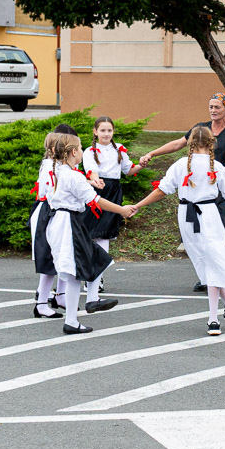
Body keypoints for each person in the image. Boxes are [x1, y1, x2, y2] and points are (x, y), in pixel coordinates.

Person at [139, 93, 225, 292]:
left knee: (219, 234)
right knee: (202, 237)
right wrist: (152, 153)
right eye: (211, 107)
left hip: (224, 193)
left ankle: (217, 275)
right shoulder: (201, 129)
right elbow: (177, 144)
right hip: (201, 192)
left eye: (217, 107)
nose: (213, 110)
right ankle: (208, 276)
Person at [133, 126, 225, 335]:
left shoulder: (180, 165)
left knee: (209, 262)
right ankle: (213, 320)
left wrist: (138, 205)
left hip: (186, 216)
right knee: (213, 262)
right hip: (208, 215)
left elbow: (162, 190)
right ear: (212, 144)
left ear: (190, 143)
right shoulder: (217, 167)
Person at [46, 134, 135, 334]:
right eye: (79, 148)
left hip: (62, 221)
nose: (82, 151)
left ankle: (81, 310)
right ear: (73, 152)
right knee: (80, 267)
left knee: (83, 266)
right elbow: (95, 201)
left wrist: (90, 182)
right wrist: (121, 210)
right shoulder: (72, 175)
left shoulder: (58, 170)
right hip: (69, 222)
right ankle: (78, 313)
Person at [29, 124, 78, 319]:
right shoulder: (52, 166)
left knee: (64, 256)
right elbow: (53, 192)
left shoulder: (60, 166)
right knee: (50, 258)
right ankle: (42, 303)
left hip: (55, 211)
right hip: (48, 211)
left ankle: (60, 295)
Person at [82, 115, 142, 255]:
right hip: (97, 189)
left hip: (113, 191)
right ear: (95, 131)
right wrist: (96, 180)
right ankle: (89, 262)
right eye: (102, 130)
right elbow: (92, 171)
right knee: (90, 227)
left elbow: (128, 170)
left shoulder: (119, 149)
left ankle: (101, 266)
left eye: (109, 130)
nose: (106, 134)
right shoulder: (89, 151)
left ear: (113, 131)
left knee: (106, 230)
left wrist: (141, 165)